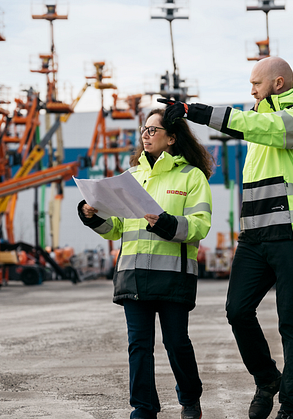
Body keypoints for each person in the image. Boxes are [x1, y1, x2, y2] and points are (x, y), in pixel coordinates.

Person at [162, 56, 293, 419]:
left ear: (278, 83)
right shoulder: (263, 121)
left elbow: (260, 126)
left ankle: (292, 405)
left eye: (256, 83)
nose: (251, 90)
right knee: (237, 310)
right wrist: (187, 118)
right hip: (255, 236)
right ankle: (267, 378)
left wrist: (196, 110)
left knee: (290, 321)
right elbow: (252, 127)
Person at [77, 107, 214, 419]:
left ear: (171, 138)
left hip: (173, 277)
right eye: (145, 130)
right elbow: (115, 230)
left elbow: (200, 225)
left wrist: (165, 223)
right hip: (133, 275)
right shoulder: (131, 178)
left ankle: (190, 399)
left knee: (176, 343)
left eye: (154, 130)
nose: (146, 134)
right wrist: (93, 216)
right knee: (139, 346)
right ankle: (143, 408)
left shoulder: (191, 177)